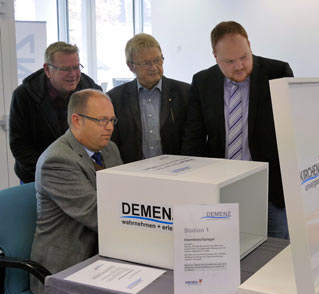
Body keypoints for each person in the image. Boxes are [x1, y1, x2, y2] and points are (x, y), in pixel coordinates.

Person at [181, 21, 293, 239]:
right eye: (229, 61)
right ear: (215, 56)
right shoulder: (202, 81)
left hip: (270, 191)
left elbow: (291, 130)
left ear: (250, 45)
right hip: (220, 190)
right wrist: (191, 185)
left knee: (277, 258)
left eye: (244, 57)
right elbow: (193, 137)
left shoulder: (277, 72)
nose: (239, 66)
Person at [30, 89, 122, 294]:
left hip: (105, 252)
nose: (109, 127)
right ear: (76, 120)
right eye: (101, 120)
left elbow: (122, 195)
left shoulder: (110, 150)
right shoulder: (58, 161)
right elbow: (97, 214)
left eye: (112, 120)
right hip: (68, 265)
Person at [9, 41, 102, 183]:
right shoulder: (24, 96)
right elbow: (20, 145)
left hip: (82, 173)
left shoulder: (90, 90)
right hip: (38, 175)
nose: (73, 75)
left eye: (76, 67)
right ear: (47, 70)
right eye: (65, 69)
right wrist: (51, 173)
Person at [107, 33, 190, 163]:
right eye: (147, 63)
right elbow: (112, 142)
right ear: (131, 66)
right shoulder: (115, 98)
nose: (154, 67)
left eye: (158, 60)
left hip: (176, 170)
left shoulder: (184, 93)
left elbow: (192, 138)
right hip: (132, 172)